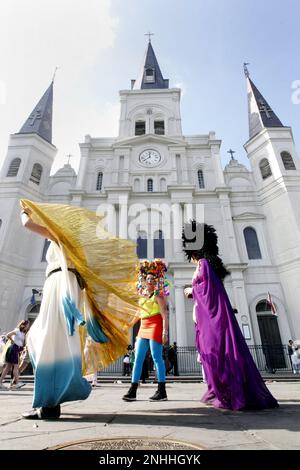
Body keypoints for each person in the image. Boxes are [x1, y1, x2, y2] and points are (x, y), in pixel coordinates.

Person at [19, 199, 141, 419]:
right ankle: (51, 401)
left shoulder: (63, 236)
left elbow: (27, 225)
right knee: (52, 337)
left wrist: (25, 212)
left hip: (60, 284)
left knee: (47, 337)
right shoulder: (77, 246)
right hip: (66, 285)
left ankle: (49, 403)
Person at [182, 221, 278, 410]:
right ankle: (222, 390)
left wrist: (190, 289)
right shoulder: (208, 265)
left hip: (211, 320)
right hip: (212, 317)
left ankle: (227, 392)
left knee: (215, 352)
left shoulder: (202, 264)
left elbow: (205, 290)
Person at [122, 259, 170, 402]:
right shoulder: (141, 296)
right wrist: (126, 324)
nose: (149, 281)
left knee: (156, 357)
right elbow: (138, 314)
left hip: (155, 325)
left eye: (152, 279)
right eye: (147, 278)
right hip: (143, 326)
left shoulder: (159, 296)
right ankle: (133, 390)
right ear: (144, 280)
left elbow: (164, 315)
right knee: (137, 358)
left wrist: (164, 332)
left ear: (155, 281)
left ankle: (162, 391)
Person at [0, 320, 30, 390]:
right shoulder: (17, 331)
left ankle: (0, 382)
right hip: (13, 349)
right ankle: (17, 383)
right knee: (16, 367)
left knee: (7, 368)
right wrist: (12, 341)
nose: (28, 327)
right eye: (27, 325)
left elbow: (21, 343)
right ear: (24, 325)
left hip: (16, 350)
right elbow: (8, 335)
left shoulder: (23, 333)